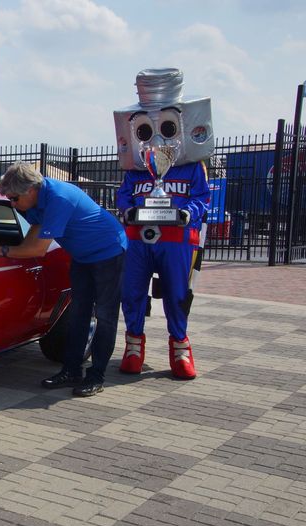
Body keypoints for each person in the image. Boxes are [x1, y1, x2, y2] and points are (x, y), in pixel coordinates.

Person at [0, 162, 127, 397]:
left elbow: (37, 249)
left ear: (30, 191)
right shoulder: (32, 200)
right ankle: (71, 371)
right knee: (78, 313)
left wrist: (0, 250)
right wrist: (4, 249)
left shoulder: (59, 199)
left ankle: (96, 375)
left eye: (14, 199)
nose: (12, 204)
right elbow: (31, 236)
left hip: (108, 252)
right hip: (82, 256)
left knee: (105, 316)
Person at [114, 68, 212, 379]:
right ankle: (133, 348)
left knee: (177, 294)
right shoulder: (136, 170)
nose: (157, 135)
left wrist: (188, 214)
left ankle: (180, 350)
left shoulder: (194, 167)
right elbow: (123, 197)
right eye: (146, 130)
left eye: (167, 126)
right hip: (137, 239)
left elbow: (203, 199)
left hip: (178, 240)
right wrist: (127, 210)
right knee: (132, 292)